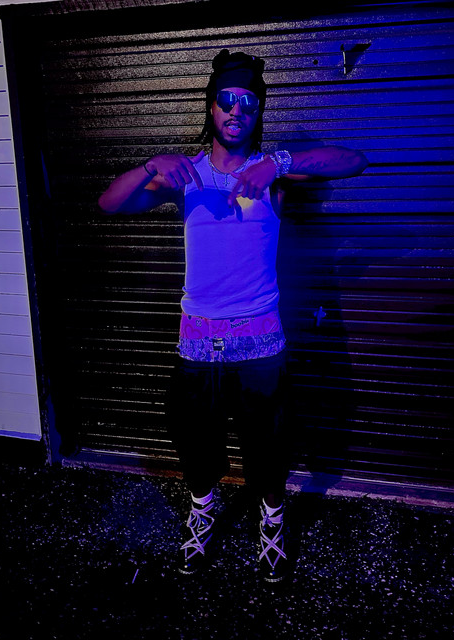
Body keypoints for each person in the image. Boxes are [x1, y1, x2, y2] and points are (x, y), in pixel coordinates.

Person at [98, 49, 368, 583]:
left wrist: (279, 163)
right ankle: (202, 512)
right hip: (198, 343)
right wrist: (150, 165)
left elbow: (354, 160)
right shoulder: (186, 175)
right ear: (212, 106)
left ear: (258, 110)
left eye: (248, 101)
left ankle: (272, 521)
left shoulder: (272, 177)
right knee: (196, 445)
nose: (237, 109)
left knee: (269, 447)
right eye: (227, 99)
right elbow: (109, 204)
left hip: (261, 342)